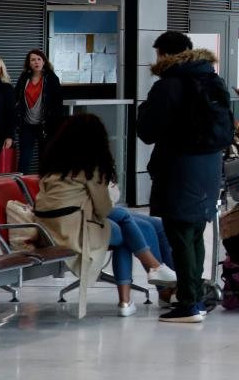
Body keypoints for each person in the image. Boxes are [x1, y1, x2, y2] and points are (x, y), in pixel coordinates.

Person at [136, 31, 232, 324]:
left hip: (179, 167)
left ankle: (189, 304)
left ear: (165, 55)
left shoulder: (169, 85)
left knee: (179, 233)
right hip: (210, 166)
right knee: (194, 233)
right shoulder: (212, 79)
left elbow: (147, 131)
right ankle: (197, 298)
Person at [39, 114, 177, 315]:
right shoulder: (88, 169)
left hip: (56, 227)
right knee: (134, 228)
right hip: (78, 231)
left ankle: (160, 284)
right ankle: (155, 286)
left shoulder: (52, 167)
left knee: (154, 224)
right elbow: (103, 209)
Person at [13, 48, 64, 175]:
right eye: (33, 60)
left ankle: (43, 189)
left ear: (44, 62)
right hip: (26, 125)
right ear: (29, 63)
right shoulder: (24, 77)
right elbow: (16, 97)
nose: (36, 62)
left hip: (45, 125)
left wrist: (55, 124)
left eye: (39, 59)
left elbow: (58, 104)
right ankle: (21, 189)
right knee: (24, 159)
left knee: (45, 159)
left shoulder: (51, 78)